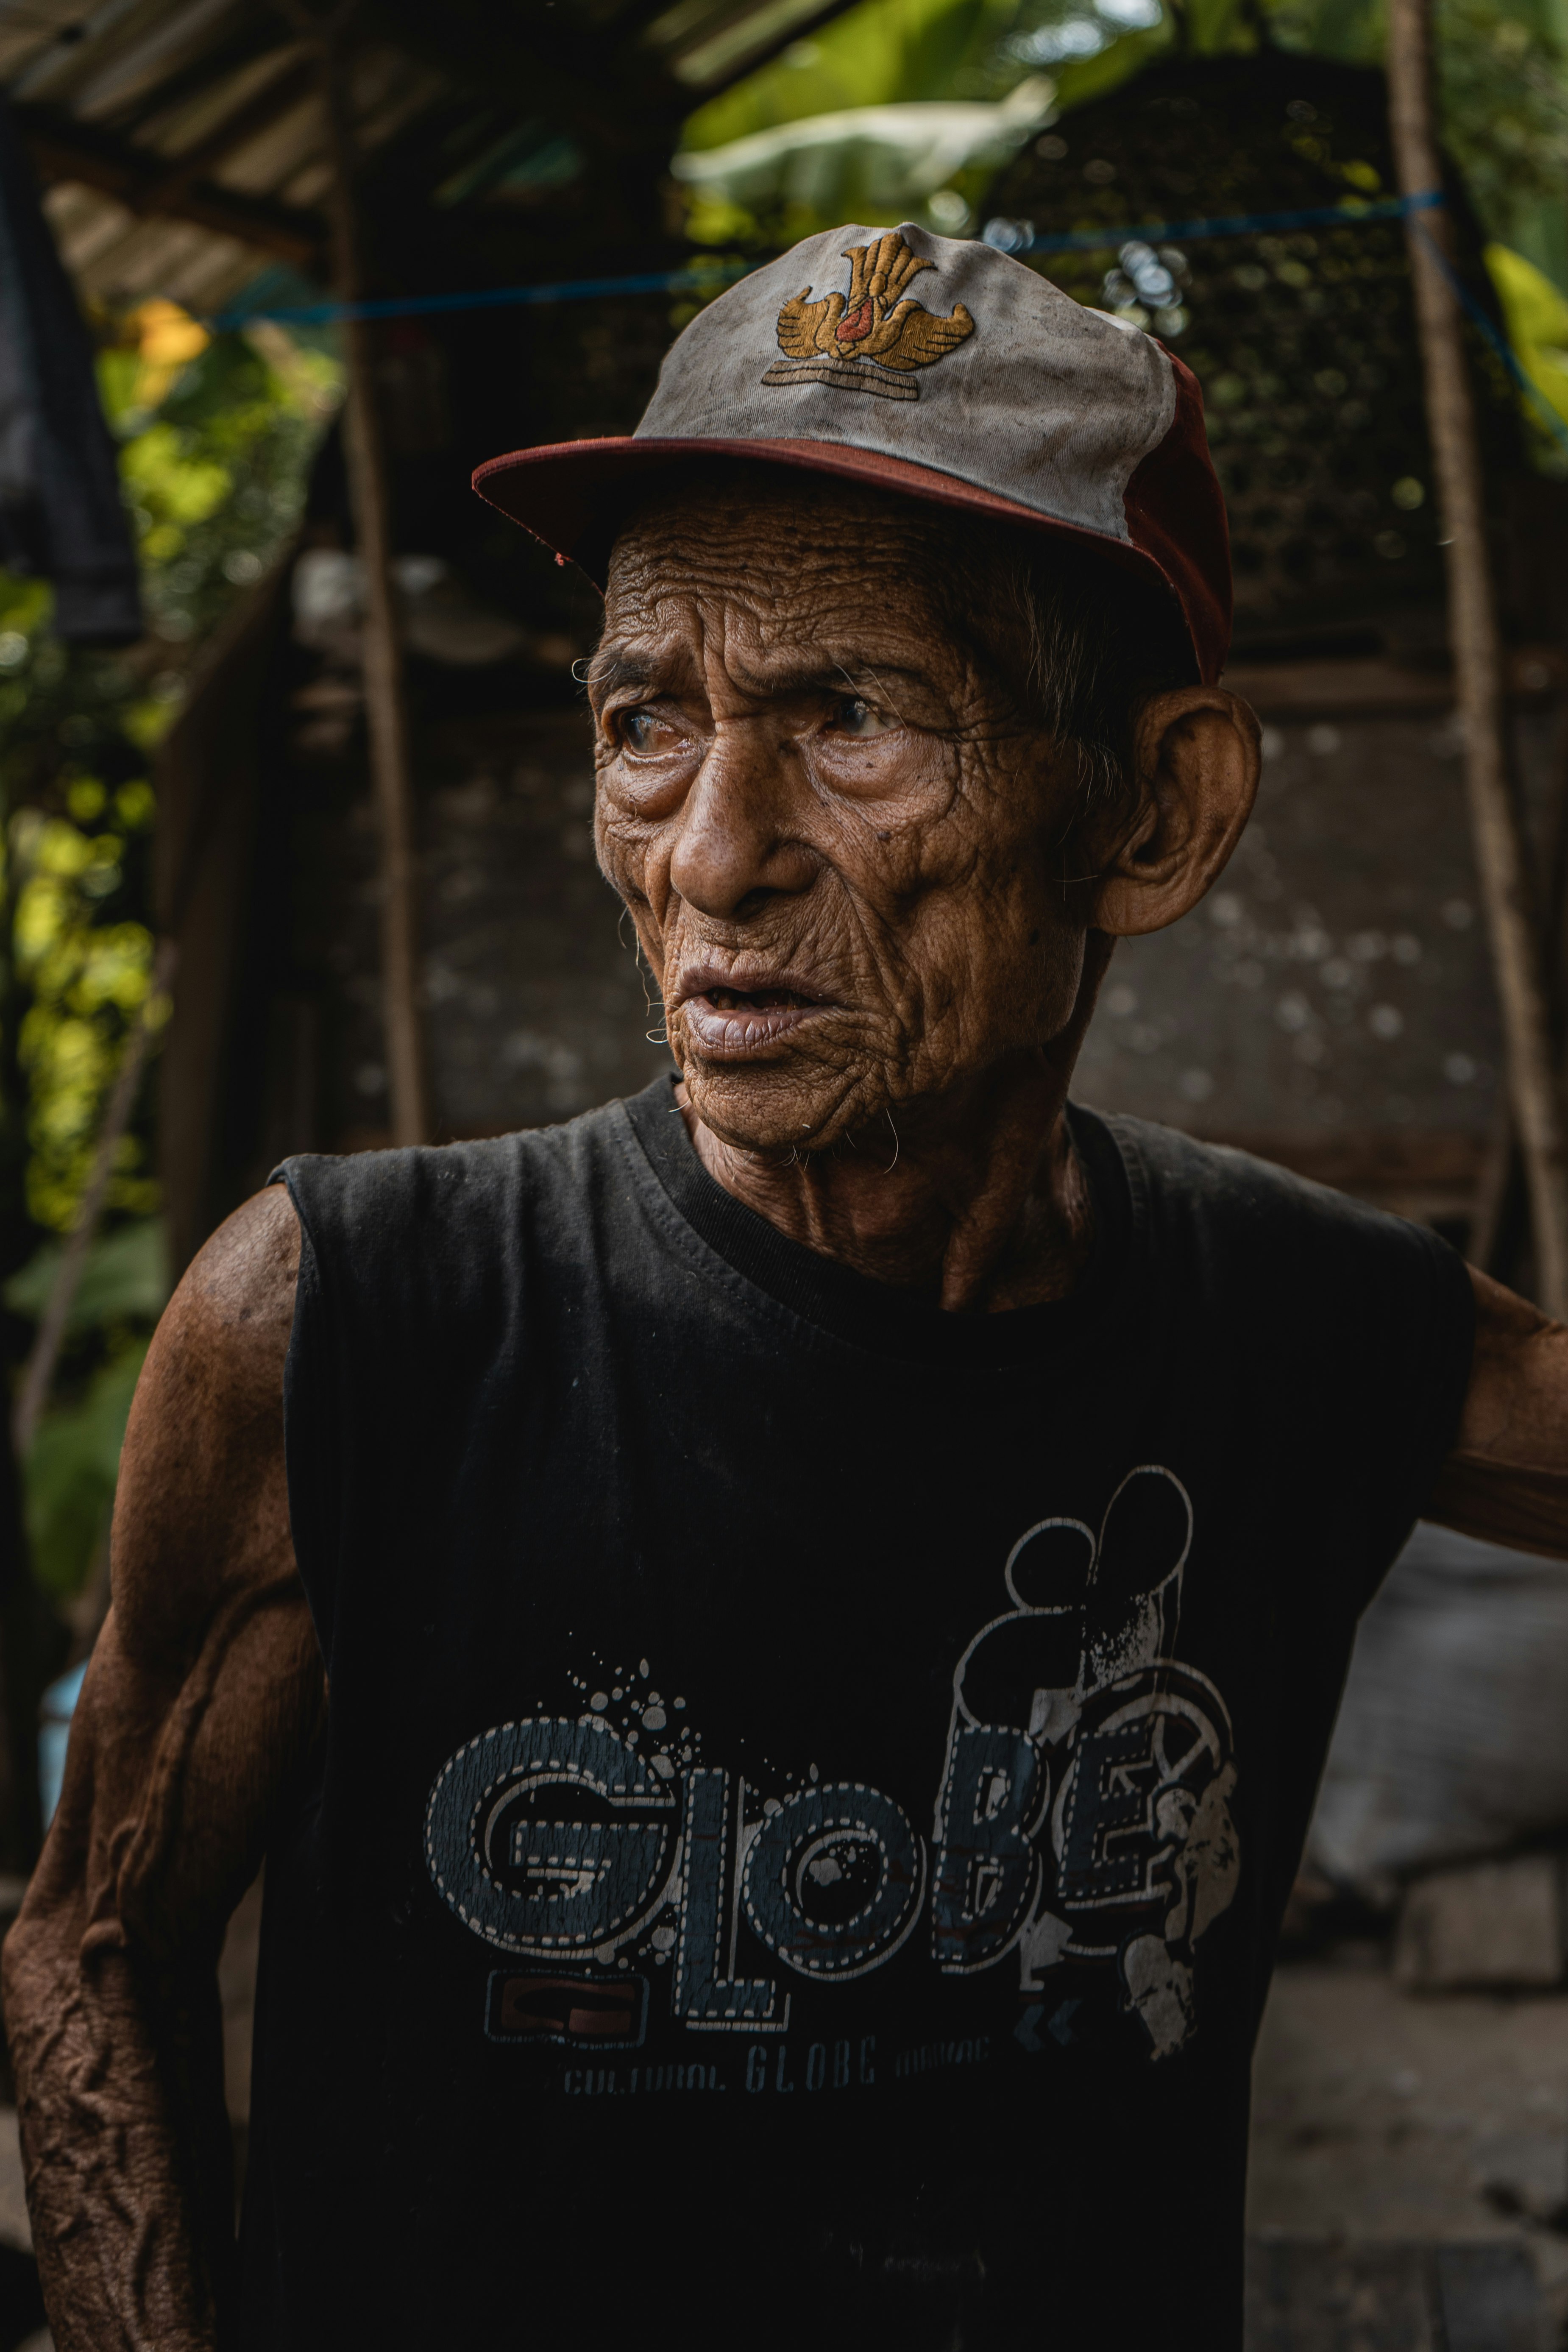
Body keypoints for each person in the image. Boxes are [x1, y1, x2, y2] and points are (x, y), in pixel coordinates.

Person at [5, 221, 1564, 2352]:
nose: (712, 851)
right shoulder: (348, 1324)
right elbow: (90, 1940)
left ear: (1157, 812)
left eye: (849, 717)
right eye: (650, 717)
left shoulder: (1287, 1320)